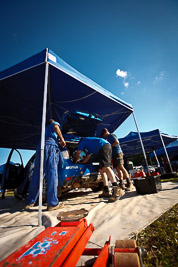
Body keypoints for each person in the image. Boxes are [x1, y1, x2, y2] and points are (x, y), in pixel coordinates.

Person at [25, 119, 66, 211]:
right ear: (52, 122)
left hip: (40, 149)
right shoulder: (53, 125)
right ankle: (52, 204)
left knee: (37, 175)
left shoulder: (45, 130)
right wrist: (62, 139)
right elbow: (56, 127)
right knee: (52, 175)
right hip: (50, 147)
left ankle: (30, 202)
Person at [74, 137, 124, 202]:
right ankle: (106, 190)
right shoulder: (90, 146)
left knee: (106, 167)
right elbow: (87, 159)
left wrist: (75, 161)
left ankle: (117, 188)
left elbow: (78, 153)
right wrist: (80, 163)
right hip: (102, 148)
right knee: (101, 170)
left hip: (103, 146)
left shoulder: (83, 141)